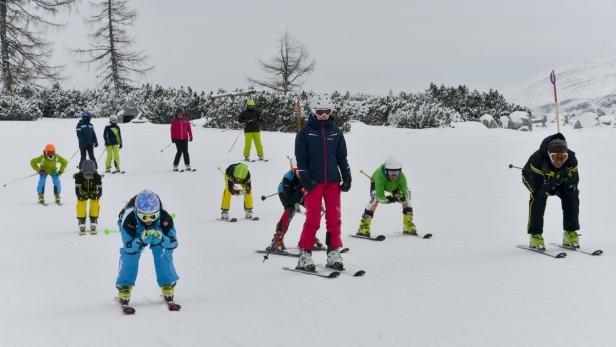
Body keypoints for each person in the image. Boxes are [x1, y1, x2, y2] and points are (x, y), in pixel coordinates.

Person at [294, 96, 351, 271]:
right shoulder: (305, 133)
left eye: (328, 112)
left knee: (334, 218)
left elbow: (341, 157)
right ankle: (305, 254)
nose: (324, 115)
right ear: (313, 112)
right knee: (312, 219)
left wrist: (347, 176)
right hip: (314, 183)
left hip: (333, 182)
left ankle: (333, 251)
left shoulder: (336, 132)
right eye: (320, 112)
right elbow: (301, 159)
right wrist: (305, 178)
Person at [115, 190, 179, 307]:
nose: (149, 220)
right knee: (131, 254)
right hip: (135, 231)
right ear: (137, 212)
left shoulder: (165, 217)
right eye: (144, 217)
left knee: (162, 250)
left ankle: (167, 283)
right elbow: (128, 246)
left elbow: (174, 242)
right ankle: (124, 287)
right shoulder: (128, 220)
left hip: (157, 230)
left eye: (153, 216)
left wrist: (162, 239)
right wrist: (140, 240)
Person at [522, 133, 580, 250]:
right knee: (538, 197)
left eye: (562, 157)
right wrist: (553, 183)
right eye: (555, 157)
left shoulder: (571, 159)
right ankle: (535, 235)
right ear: (549, 154)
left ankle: (570, 232)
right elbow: (539, 190)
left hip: (557, 181)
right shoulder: (537, 159)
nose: (559, 161)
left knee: (572, 195)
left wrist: (569, 182)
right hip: (533, 180)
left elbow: (572, 186)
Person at [267, 163, 324, 252]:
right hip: (286, 194)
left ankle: (309, 237)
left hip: (302, 193)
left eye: (303, 171)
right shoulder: (287, 178)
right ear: (293, 170)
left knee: (314, 209)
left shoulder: (309, 174)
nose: (301, 173)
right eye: (298, 171)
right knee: (290, 209)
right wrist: (300, 189)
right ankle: (277, 239)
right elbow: (290, 200)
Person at [357, 157, 416, 237]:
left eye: (397, 172)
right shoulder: (379, 176)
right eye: (391, 172)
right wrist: (389, 199)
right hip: (377, 183)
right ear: (386, 170)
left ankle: (407, 224)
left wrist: (401, 197)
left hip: (394, 186)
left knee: (407, 197)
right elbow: (380, 197)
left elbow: (405, 193)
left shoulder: (402, 177)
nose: (394, 176)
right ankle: (363, 226)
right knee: (375, 199)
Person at [73, 160, 102, 234]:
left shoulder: (97, 177)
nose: (88, 175)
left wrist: (96, 195)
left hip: (93, 191)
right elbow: (77, 190)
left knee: (95, 202)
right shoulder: (78, 177)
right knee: (80, 203)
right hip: (83, 191)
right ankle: (81, 220)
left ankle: (93, 219)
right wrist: (80, 196)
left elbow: (100, 190)